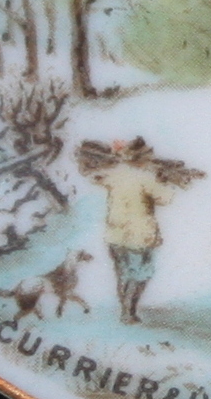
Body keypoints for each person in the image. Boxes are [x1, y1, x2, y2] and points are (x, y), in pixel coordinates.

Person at [78, 137, 201, 324]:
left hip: (115, 234)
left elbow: (95, 178)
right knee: (140, 275)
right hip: (140, 236)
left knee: (122, 272)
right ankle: (129, 312)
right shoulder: (147, 178)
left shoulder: (114, 174)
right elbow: (166, 199)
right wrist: (163, 179)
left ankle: (125, 309)